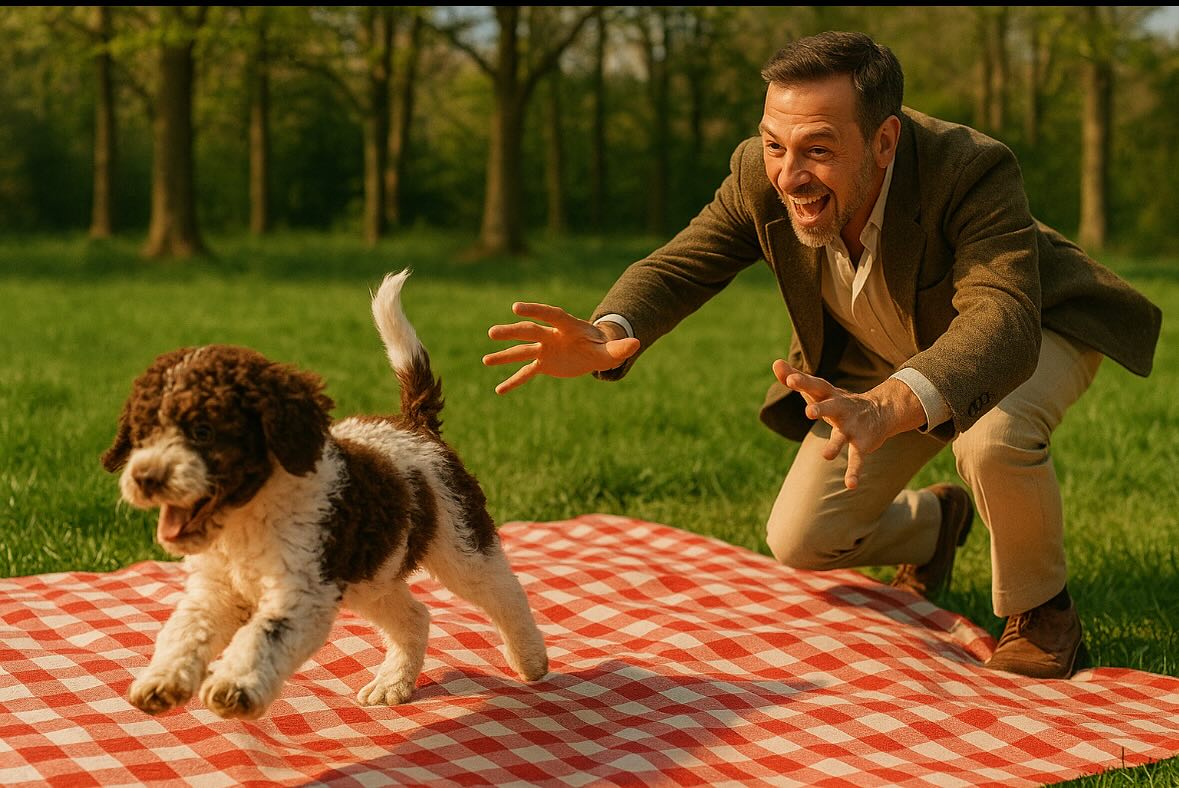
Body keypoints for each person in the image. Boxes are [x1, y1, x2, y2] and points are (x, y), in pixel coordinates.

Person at [482, 31, 1161, 680]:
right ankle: (935, 526)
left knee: (991, 437)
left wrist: (890, 405)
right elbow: (681, 267)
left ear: (884, 139)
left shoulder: (970, 168)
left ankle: (1042, 613)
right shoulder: (758, 174)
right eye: (775, 144)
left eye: (816, 149)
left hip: (1037, 328)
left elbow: (1000, 317)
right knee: (802, 539)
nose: (789, 173)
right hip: (883, 355)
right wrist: (608, 330)